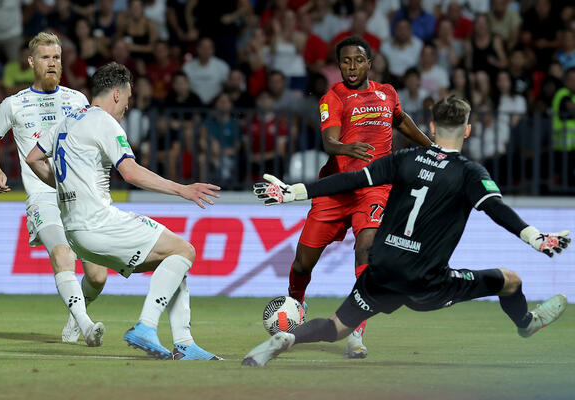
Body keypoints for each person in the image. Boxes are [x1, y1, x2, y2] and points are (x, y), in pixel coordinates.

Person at [243, 95, 571, 366]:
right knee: (510, 281)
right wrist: (535, 237)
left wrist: (294, 191)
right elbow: (495, 208)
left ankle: (286, 338)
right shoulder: (469, 172)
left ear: (431, 127)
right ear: (468, 130)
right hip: (426, 283)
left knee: (336, 326)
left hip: (382, 272)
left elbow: (351, 180)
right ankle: (526, 324)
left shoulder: (405, 158)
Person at [25, 62, 222, 360]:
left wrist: (64, 186)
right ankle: (146, 327)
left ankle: (184, 344)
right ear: (116, 94)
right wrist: (181, 189)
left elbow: (33, 157)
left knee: (172, 261)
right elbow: (130, 172)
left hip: (75, 232)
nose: (127, 107)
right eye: (128, 100)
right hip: (99, 222)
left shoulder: (67, 121)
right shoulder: (104, 122)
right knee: (185, 250)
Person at [286, 36, 432, 359]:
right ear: (338, 65)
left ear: (369, 63)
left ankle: (355, 330)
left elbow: (401, 120)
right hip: (336, 189)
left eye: (358, 60)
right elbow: (329, 141)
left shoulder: (387, 93)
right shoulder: (333, 97)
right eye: (345, 61)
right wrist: (345, 148)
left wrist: (431, 147)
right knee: (302, 263)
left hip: (375, 188)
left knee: (366, 247)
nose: (351, 67)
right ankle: (295, 305)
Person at [0, 32, 108, 346]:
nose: (52, 63)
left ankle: (75, 317)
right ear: (31, 62)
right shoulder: (14, 104)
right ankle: (87, 326)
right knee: (62, 253)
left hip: (77, 197)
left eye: (57, 58)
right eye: (45, 57)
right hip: (42, 196)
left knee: (97, 276)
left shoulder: (77, 100)